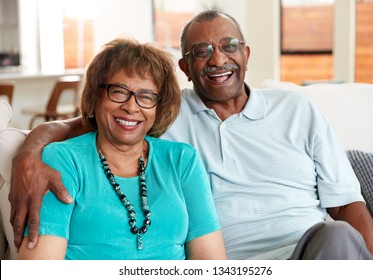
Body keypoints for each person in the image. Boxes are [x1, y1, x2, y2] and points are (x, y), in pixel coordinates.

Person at [10, 10, 373, 260]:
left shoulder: (297, 109)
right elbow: (83, 125)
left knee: (339, 237)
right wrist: (29, 154)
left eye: (229, 46)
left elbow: (348, 204)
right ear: (186, 67)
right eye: (202, 51)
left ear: (247, 54)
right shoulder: (163, 113)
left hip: (307, 252)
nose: (218, 59)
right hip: (232, 263)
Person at [16, 38, 226, 260]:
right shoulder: (63, 159)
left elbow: (212, 262)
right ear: (95, 96)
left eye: (146, 96)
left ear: (158, 107)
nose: (131, 107)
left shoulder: (183, 160)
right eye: (118, 92)